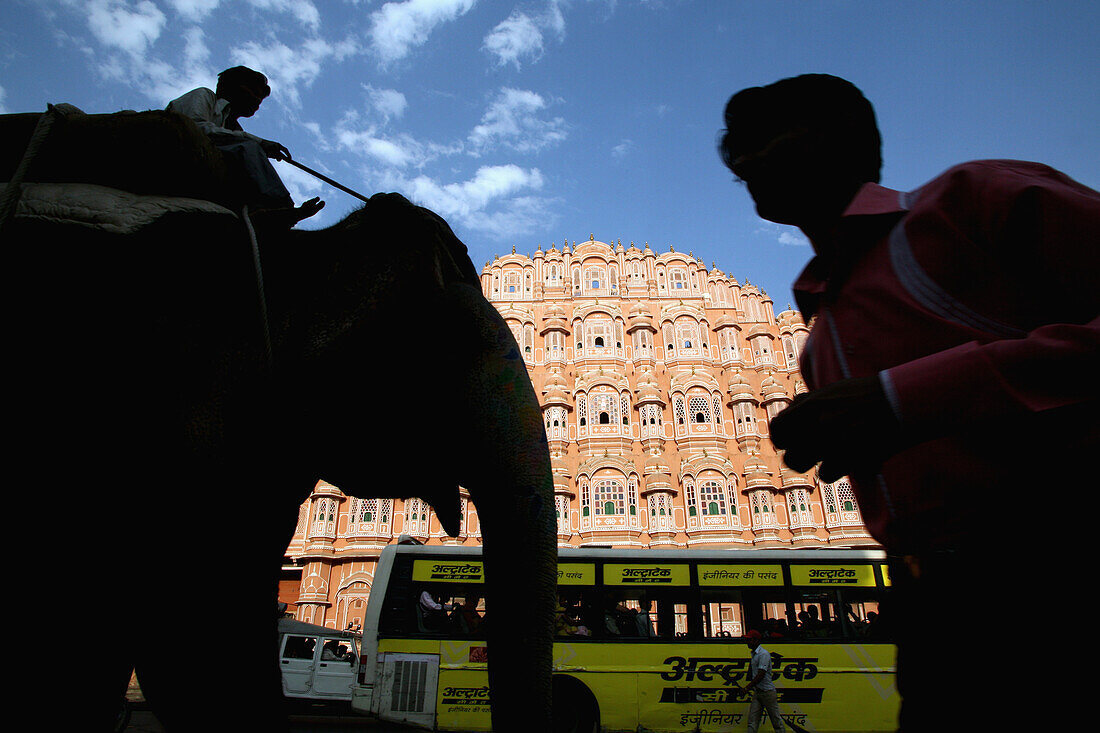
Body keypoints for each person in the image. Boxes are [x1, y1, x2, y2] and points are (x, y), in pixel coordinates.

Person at [718, 74, 1100, 731]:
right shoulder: (819, 344)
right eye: (737, 151)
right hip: (939, 619)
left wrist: (901, 398)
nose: (747, 162)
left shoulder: (966, 204)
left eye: (769, 138)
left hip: (1063, 575)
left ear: (840, 138)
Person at [166, 65, 324, 225]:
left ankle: (255, 210)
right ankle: (277, 205)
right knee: (248, 148)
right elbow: (194, 126)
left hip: (209, 169)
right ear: (234, 87)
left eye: (261, 99)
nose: (257, 101)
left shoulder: (232, 127)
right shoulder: (204, 95)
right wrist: (260, 143)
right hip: (179, 151)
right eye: (254, 93)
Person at [742, 630, 786, 733]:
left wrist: (747, 688)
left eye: (749, 640)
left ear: (756, 640)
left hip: (767, 693)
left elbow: (761, 674)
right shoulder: (755, 654)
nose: (747, 642)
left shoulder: (763, 654)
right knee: (752, 720)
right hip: (758, 692)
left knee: (776, 721)